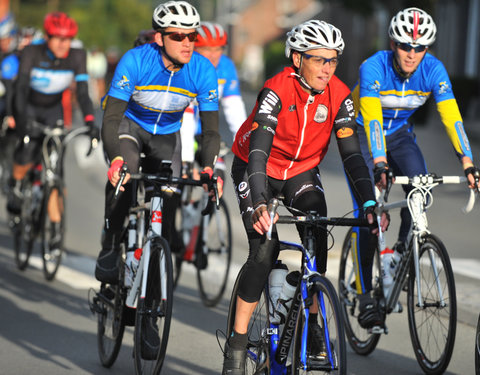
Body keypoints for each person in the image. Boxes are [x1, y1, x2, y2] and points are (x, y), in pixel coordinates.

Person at [222, 19, 388, 374]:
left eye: (333, 60)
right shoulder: (276, 89)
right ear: (297, 58)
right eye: (318, 60)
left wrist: (370, 202)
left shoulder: (340, 96)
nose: (327, 69)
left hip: (301, 171)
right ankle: (236, 345)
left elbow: (353, 156)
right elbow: (258, 152)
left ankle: (312, 321)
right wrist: (259, 204)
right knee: (264, 252)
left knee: (317, 235)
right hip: (258, 166)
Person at [348, 7, 480, 329]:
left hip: (401, 137)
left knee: (419, 188)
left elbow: (452, 117)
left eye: (419, 47)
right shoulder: (373, 67)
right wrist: (379, 164)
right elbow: (374, 120)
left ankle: (401, 255)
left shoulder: (434, 70)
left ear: (427, 49)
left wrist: (467, 161)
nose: (411, 53)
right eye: (405, 46)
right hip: (365, 136)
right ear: (393, 43)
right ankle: (364, 295)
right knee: (367, 214)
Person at [94, 0, 221, 285]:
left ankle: (150, 300)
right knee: (126, 174)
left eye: (193, 36)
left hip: (167, 135)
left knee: (168, 197)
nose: (187, 43)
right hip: (130, 126)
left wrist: (210, 168)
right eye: (178, 36)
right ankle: (111, 243)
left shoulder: (202, 70)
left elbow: (211, 131)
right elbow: (112, 118)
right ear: (160, 38)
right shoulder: (136, 60)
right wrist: (115, 157)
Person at [6, 12, 99, 249]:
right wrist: (21, 120)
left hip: (53, 111)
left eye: (67, 39)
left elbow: (82, 91)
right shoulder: (32, 53)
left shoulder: (77, 56)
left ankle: (55, 228)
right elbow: (21, 90)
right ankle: (16, 188)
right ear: (47, 38)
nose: (62, 44)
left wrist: (89, 121)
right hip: (28, 107)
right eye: (57, 38)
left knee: (54, 171)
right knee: (26, 153)